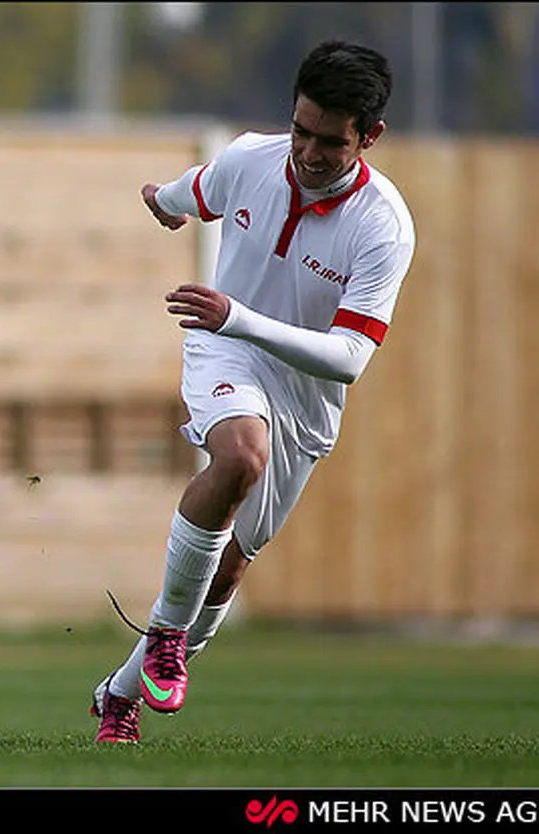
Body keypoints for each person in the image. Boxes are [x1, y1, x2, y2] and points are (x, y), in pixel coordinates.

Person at [91, 40, 415, 743]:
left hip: (306, 389)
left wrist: (240, 314)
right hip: (223, 344)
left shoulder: (383, 227)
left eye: (331, 141)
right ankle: (168, 640)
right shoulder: (249, 159)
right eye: (301, 130)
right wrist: (163, 204)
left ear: (371, 136)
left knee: (230, 567)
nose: (309, 152)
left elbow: (350, 360)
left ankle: (120, 693)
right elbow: (185, 195)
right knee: (240, 457)